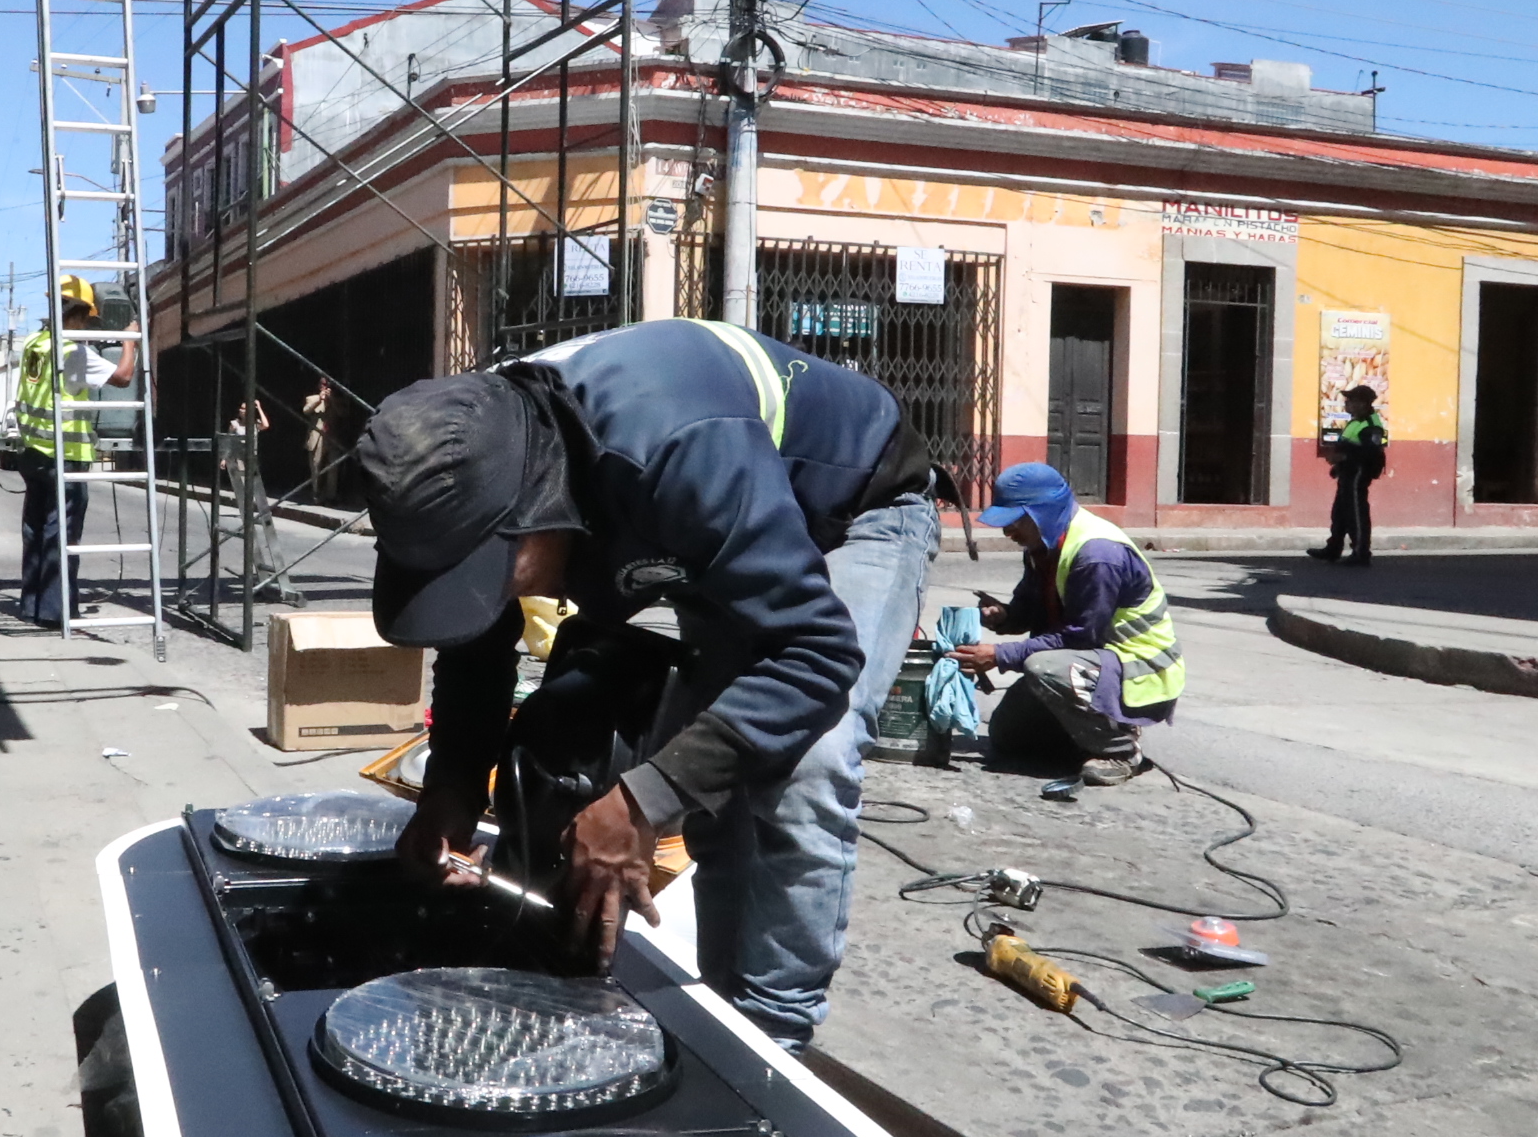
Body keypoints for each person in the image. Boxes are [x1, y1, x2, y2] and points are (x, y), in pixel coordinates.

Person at [362, 318, 939, 1048]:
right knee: (720, 784)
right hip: (720, 524)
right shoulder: (474, 449)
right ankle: (725, 1012)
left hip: (851, 508)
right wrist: (451, 786)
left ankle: (774, 1043)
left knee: (802, 761)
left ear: (536, 511)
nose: (487, 591)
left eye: (490, 571)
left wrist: (642, 800)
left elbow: (815, 653)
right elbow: (477, 637)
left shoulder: (671, 451)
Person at [950, 462, 1183, 786]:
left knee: (1042, 667)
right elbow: (1032, 609)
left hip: (1140, 668)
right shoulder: (1040, 547)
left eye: (1015, 521)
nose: (1007, 532)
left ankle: (1120, 748)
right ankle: (1085, 738)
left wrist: (1000, 655)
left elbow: (1080, 637)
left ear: (1043, 512)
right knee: (1006, 737)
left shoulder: (1098, 554)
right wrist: (1005, 616)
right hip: (1092, 662)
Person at [14, 277, 132, 623]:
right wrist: (129, 340)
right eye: (86, 320)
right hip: (64, 454)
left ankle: (31, 605)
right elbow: (123, 377)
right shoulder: (73, 352)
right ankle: (55, 611)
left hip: (32, 450)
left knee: (35, 530)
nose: (87, 327)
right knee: (60, 534)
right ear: (76, 314)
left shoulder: (36, 343)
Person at [1309, 383, 1386, 567]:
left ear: (1362, 403)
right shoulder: (1355, 421)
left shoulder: (1371, 425)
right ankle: (1333, 548)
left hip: (1358, 473)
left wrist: (1343, 456)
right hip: (1348, 471)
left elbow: (1370, 452)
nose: (1347, 404)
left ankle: (1361, 552)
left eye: (1350, 401)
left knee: (1355, 512)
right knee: (1340, 512)